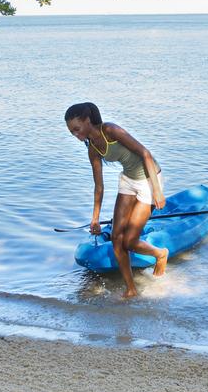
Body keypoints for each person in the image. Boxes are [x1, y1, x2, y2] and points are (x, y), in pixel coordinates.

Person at [65, 102, 167, 298]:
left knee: (129, 241)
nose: (76, 135)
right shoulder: (92, 149)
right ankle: (131, 289)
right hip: (128, 179)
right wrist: (95, 218)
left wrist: (157, 191)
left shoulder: (110, 130)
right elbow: (99, 186)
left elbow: (145, 153)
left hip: (149, 178)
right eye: (71, 132)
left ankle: (160, 253)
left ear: (87, 120)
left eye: (77, 129)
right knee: (116, 238)